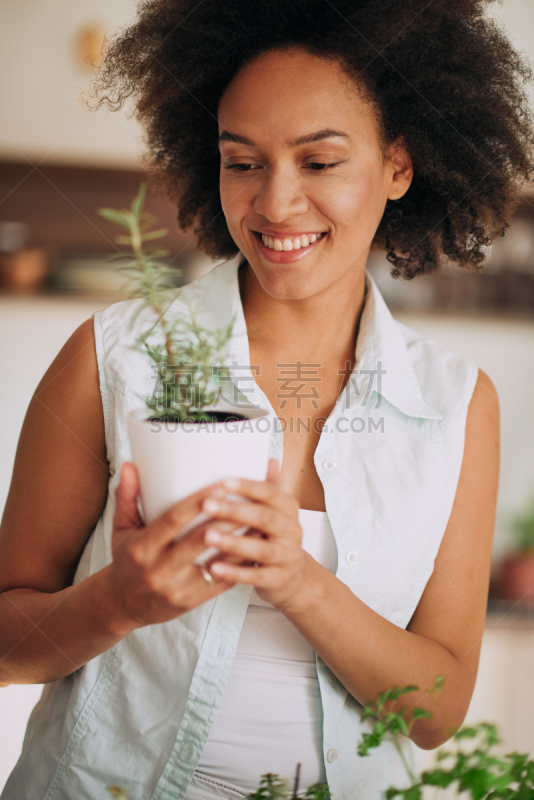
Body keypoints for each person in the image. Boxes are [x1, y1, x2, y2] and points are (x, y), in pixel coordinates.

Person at [0, 1, 531, 798]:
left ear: (398, 165)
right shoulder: (113, 359)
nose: (275, 204)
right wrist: (119, 600)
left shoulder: (456, 404)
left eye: (318, 163)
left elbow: (436, 710)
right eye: (242, 161)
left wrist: (298, 580)